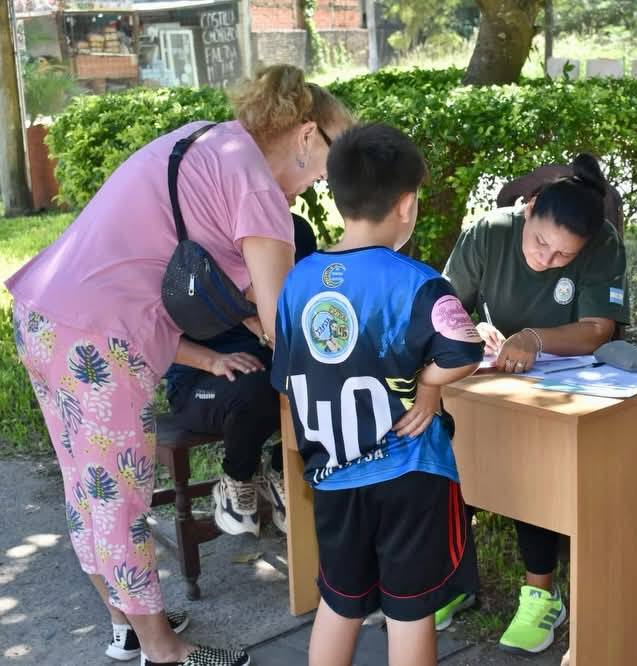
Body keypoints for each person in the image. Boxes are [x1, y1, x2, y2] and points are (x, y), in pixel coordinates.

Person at [6, 64, 351, 666]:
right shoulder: (260, 192)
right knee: (118, 499)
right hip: (97, 338)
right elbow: (281, 325)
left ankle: (127, 625)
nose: (322, 182)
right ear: (305, 135)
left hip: (46, 312)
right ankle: (163, 650)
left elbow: (215, 287)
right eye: (329, 160)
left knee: (89, 491)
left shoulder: (210, 139)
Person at [271, 123, 484, 666]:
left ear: (338, 196)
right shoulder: (418, 282)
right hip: (408, 473)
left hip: (334, 475)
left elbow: (288, 375)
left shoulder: (297, 282)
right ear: (407, 205)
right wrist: (428, 386)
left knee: (338, 603)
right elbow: (464, 351)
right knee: (409, 613)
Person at [440, 154, 630, 654]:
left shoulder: (604, 245)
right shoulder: (487, 233)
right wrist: (470, 329)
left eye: (563, 255)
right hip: (489, 378)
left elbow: (597, 330)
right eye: (541, 243)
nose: (546, 260)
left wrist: (534, 339)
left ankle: (540, 594)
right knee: (441, 445)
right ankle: (450, 579)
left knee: (537, 460)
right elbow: (445, 307)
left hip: (561, 386)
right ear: (530, 210)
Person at [162, 212, 317, 537]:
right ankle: (237, 477)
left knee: (331, 375)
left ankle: (280, 469)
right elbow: (151, 331)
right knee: (257, 387)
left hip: (270, 363)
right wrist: (212, 360)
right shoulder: (195, 238)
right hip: (200, 377)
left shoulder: (295, 232)